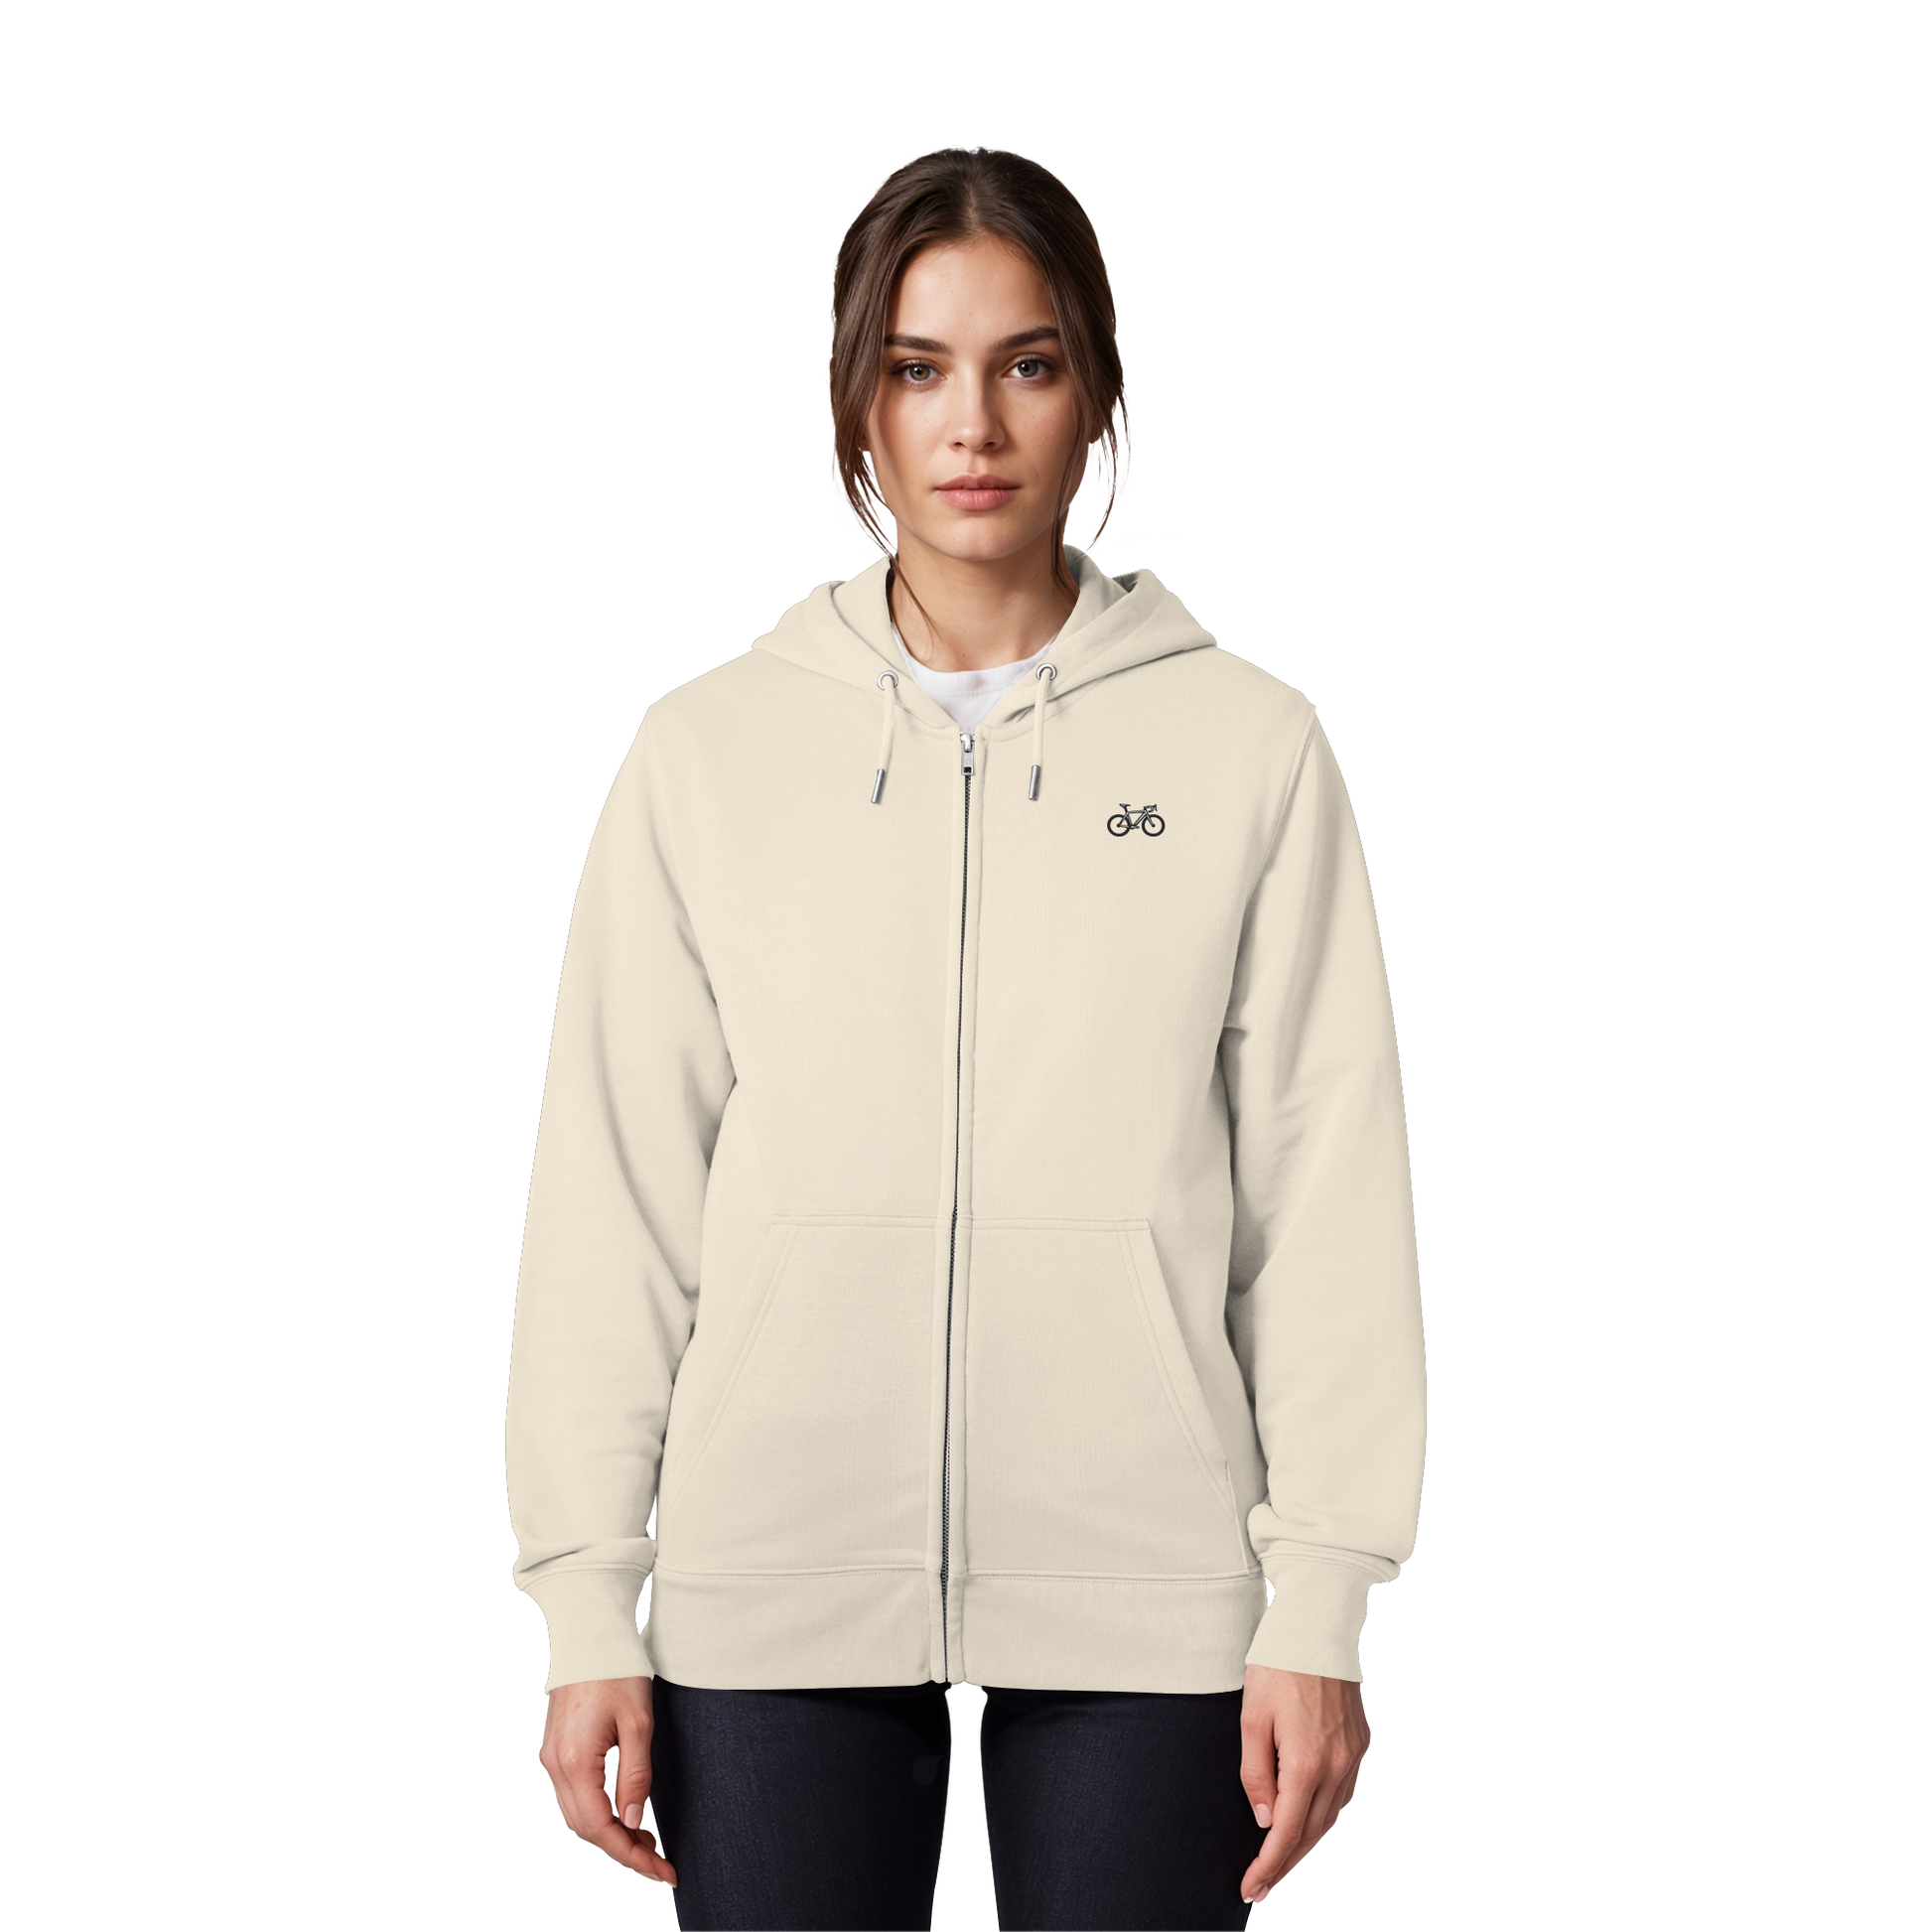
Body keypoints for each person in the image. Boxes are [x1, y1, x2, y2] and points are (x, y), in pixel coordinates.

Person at [503, 141, 1429, 1929]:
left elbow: (1321, 1195)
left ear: (1097, 395)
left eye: (1028, 362)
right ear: (856, 400)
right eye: (918, 368)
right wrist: (586, 1604)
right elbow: (613, 1204)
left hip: (1154, 1593)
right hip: (766, 1584)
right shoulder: (707, 753)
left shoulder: (1247, 749)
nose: (972, 425)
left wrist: (1321, 1596)